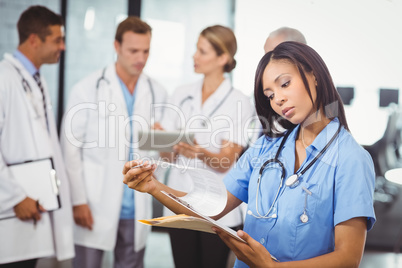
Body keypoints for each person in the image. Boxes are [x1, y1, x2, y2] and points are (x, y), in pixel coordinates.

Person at [122, 41, 376, 267]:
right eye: (270, 95)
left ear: (314, 75)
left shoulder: (351, 159)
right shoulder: (265, 148)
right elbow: (211, 207)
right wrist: (154, 187)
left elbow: (348, 257)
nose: (278, 100)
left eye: (285, 84)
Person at [61, 17, 167, 268]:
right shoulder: (87, 89)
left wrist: (162, 143)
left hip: (136, 203)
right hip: (95, 201)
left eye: (146, 51)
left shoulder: (157, 91)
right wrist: (78, 200)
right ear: (116, 47)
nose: (140, 57)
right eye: (133, 50)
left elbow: (161, 153)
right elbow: (70, 150)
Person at [152, 25, 255, 268]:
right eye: (196, 50)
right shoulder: (181, 94)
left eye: (202, 51)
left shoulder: (238, 101)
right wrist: (160, 139)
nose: (194, 56)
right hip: (179, 202)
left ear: (223, 58)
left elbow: (226, 161)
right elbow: (168, 157)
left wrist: (200, 152)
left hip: (219, 207)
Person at [0, 5, 74, 267]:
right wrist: (15, 197)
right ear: (34, 40)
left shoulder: (34, 80)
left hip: (34, 207)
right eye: (57, 39)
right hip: (13, 208)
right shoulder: (3, 79)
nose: (62, 47)